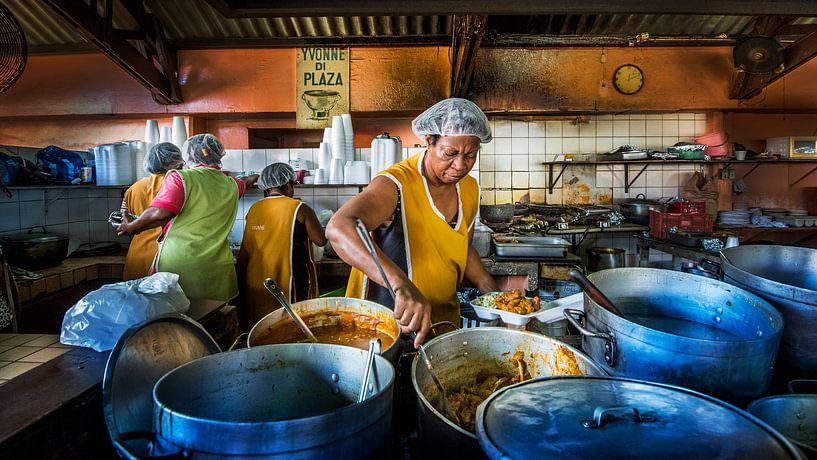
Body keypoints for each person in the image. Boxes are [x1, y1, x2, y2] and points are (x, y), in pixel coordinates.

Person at [326, 98, 499, 347]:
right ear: (429, 141)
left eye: (470, 155)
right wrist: (401, 285)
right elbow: (339, 228)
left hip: (443, 325)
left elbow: (462, 248)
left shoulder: (470, 188)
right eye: (450, 153)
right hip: (388, 328)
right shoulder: (395, 184)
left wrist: (492, 293)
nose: (460, 165)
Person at [117, 134, 258, 301]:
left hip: (182, 270)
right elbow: (247, 181)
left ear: (189, 155)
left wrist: (131, 227)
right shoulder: (232, 184)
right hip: (218, 270)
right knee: (216, 322)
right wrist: (253, 177)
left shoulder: (181, 178)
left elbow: (160, 214)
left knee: (179, 324)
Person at [237, 163, 327, 328]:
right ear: (288, 184)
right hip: (288, 282)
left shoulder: (254, 209)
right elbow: (321, 240)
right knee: (291, 328)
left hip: (257, 283)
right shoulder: (300, 208)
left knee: (263, 330)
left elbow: (244, 253)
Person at [121, 142, 184, 280]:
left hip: (136, 256)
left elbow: (124, 219)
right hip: (165, 258)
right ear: (176, 162)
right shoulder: (178, 186)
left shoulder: (133, 188)